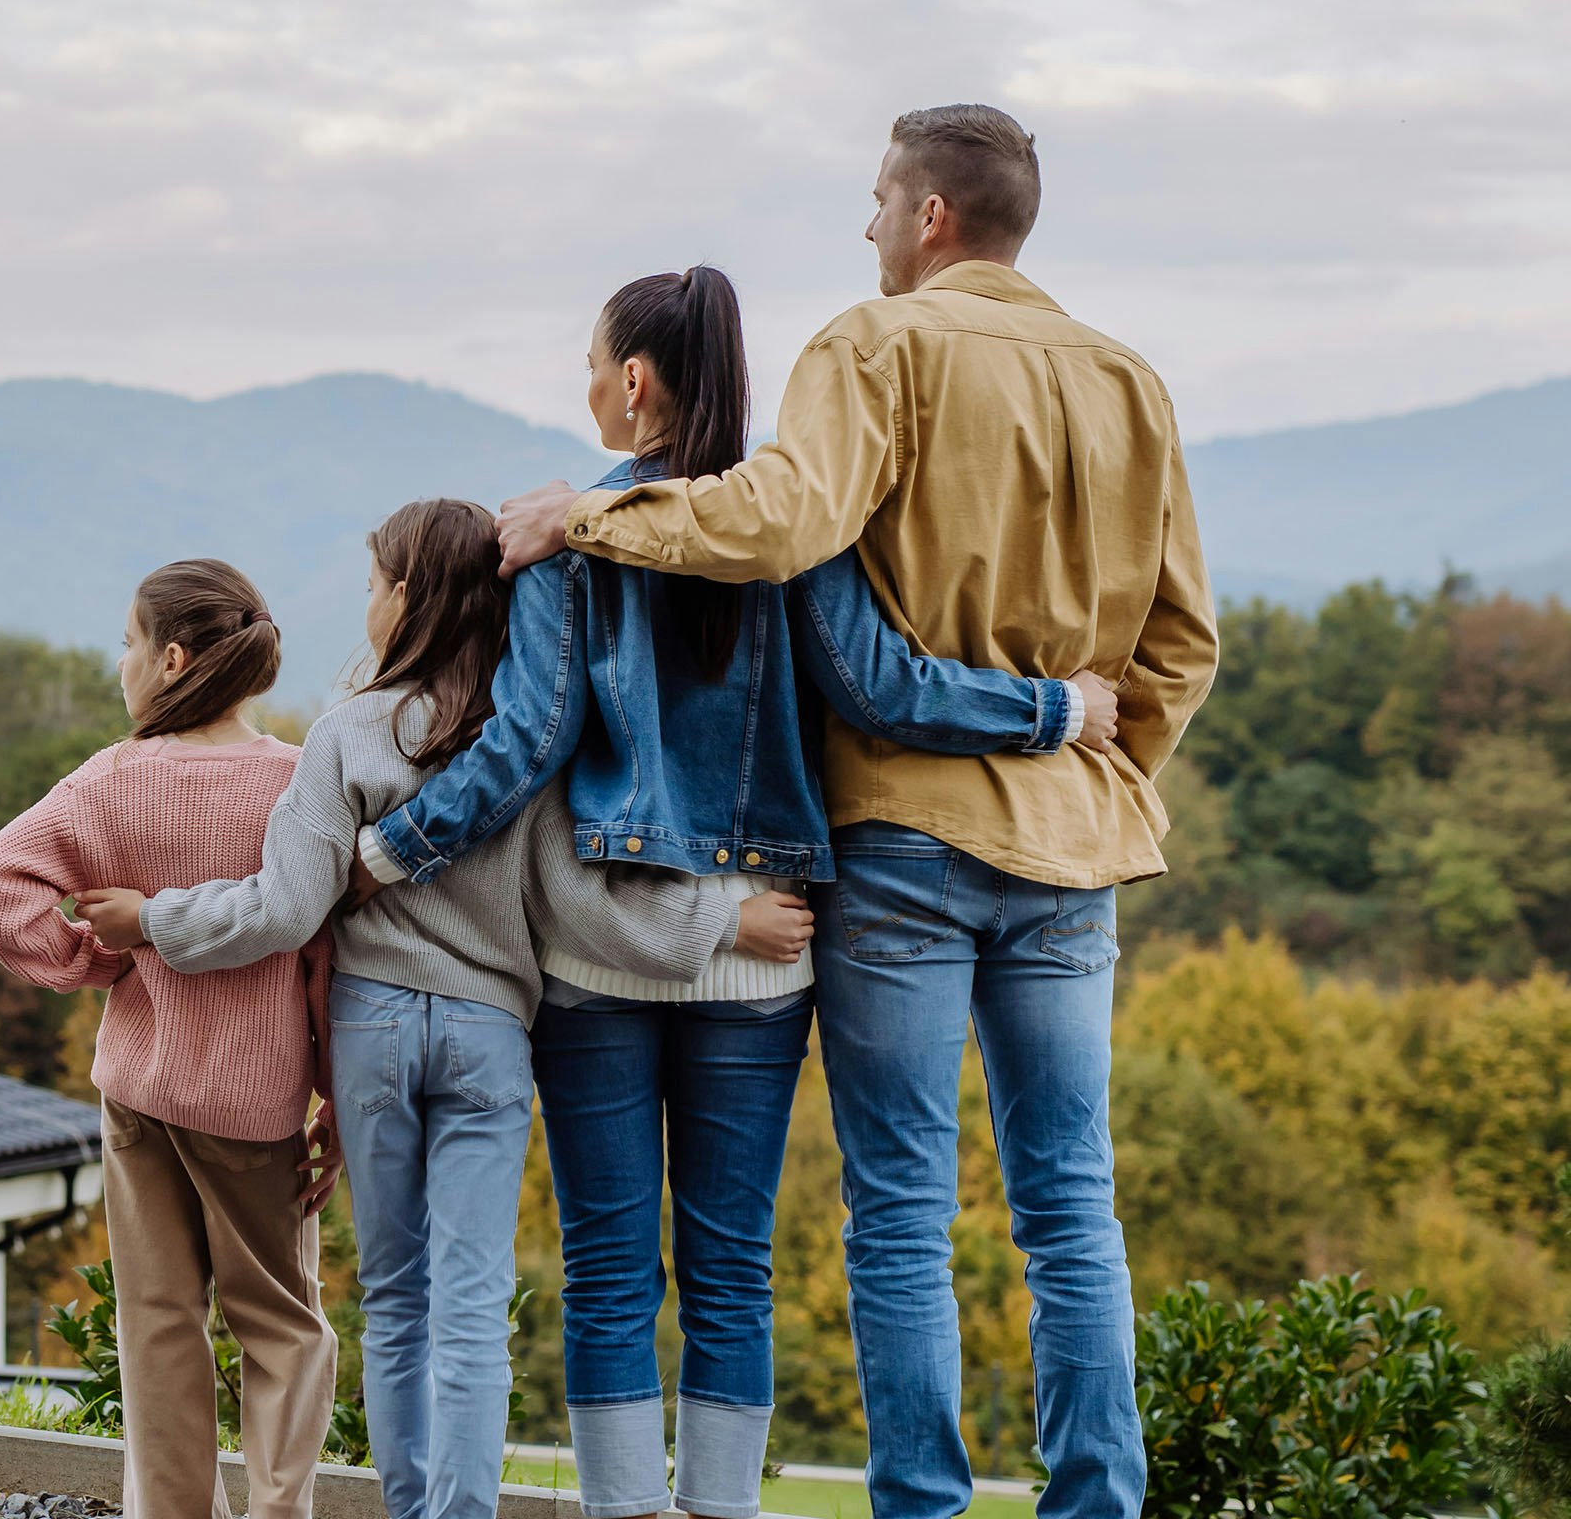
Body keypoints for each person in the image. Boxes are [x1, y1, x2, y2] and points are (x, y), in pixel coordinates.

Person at [494, 106, 1220, 1519]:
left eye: (879, 200)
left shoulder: (872, 346)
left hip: (904, 841)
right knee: (1074, 1208)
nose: (869, 226)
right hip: (1074, 850)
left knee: (900, 1212)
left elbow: (775, 523)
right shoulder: (1132, 381)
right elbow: (1181, 643)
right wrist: (1110, 776)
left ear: (931, 216)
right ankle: (1095, 1507)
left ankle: (923, 1511)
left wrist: (586, 518)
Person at [351, 266, 1114, 1519]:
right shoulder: (793, 528)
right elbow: (889, 689)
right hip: (768, 954)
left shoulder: (564, 532)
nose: (587, 385)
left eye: (594, 363)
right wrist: (1056, 709)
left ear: (636, 380)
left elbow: (527, 739)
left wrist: (393, 850)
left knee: (607, 1270)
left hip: (598, 957)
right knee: (731, 1271)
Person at [73, 498, 819, 1519]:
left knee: (396, 1301)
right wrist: (722, 926)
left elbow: (286, 908)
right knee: (472, 1309)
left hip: (375, 1032)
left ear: (410, 599)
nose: (367, 603)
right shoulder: (517, 751)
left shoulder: (345, 736)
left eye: (376, 584)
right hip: (486, 1037)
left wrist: (154, 919)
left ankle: (409, 1505)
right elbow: (581, 906)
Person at [0, 559, 336, 1519]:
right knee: (283, 1328)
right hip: (260, 1104)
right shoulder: (299, 783)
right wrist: (330, 1089)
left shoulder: (115, 779)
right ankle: (280, 1510)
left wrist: (98, 961)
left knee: (159, 1324)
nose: (118, 662)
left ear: (171, 659)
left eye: (128, 642)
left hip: (140, 1095)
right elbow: (328, 954)